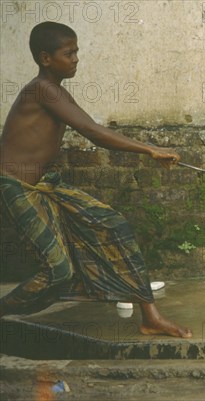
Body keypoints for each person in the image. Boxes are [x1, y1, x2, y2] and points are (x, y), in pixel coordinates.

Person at [0, 21, 192, 338]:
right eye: (69, 53)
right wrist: (150, 149)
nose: (76, 59)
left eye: (77, 52)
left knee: (113, 225)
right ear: (46, 58)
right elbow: (92, 132)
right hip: (16, 187)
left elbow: (91, 127)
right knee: (59, 271)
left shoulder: (56, 91)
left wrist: (150, 150)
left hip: (45, 184)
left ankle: (150, 317)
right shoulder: (41, 90)